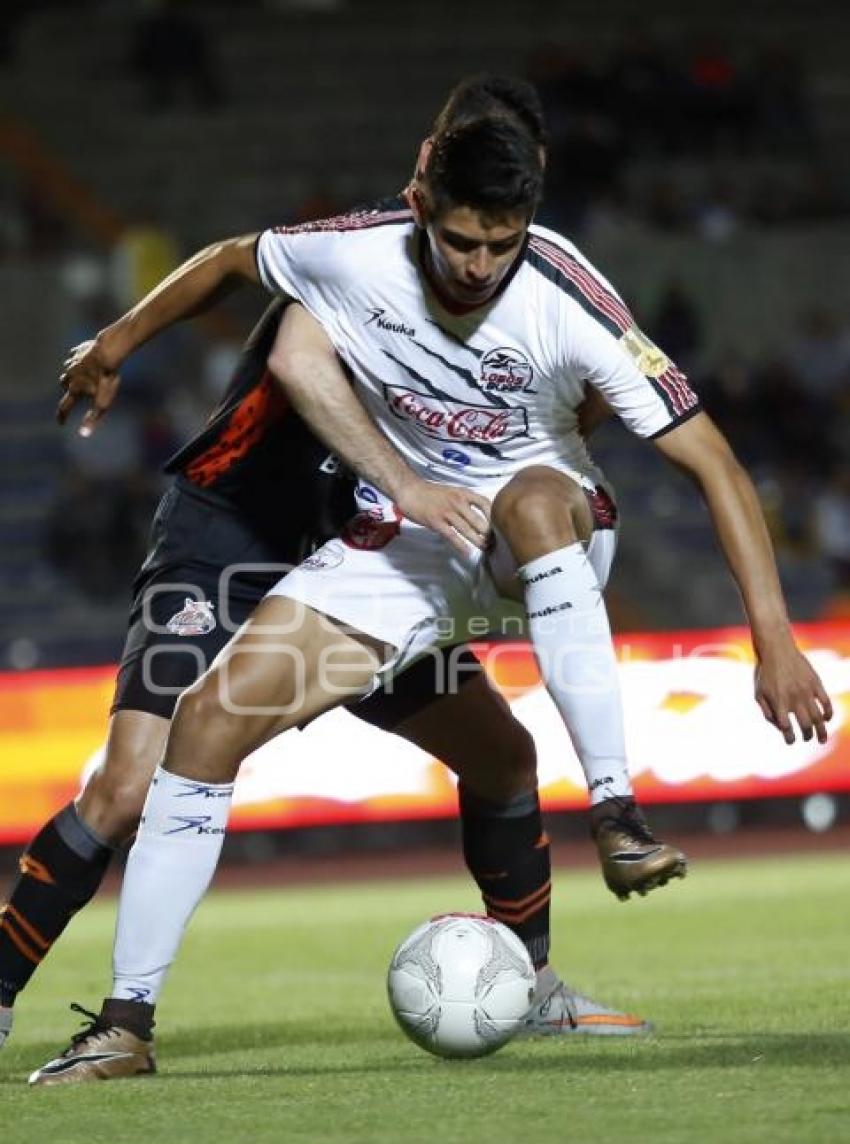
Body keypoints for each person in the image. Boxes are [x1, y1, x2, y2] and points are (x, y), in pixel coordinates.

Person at [34, 81, 830, 1084]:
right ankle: (125, 1025)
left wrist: (773, 638)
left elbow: (712, 461)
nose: (479, 267)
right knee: (205, 725)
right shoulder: (354, 253)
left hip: (545, 537)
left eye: (501, 244)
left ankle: (617, 812)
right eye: (461, 242)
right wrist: (113, 343)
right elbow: (232, 262)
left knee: (535, 500)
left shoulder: (569, 298)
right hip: (412, 544)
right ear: (422, 207)